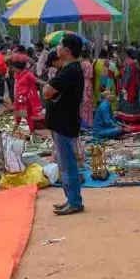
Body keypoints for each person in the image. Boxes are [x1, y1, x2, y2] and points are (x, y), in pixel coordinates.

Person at [45, 34, 85, 216]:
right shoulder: (67, 69)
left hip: (65, 122)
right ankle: (71, 198)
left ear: (67, 50)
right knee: (64, 162)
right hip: (62, 121)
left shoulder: (70, 71)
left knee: (68, 163)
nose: (57, 49)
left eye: (60, 46)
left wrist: (47, 88)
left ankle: (75, 202)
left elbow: (47, 91)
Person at [11, 61, 40, 133]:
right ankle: (16, 126)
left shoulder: (28, 74)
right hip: (19, 97)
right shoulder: (17, 74)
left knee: (27, 114)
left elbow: (36, 80)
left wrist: (46, 83)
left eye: (14, 68)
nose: (13, 69)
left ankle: (32, 131)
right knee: (18, 112)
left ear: (18, 68)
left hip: (25, 98)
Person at [118, 49, 140, 116]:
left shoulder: (129, 65)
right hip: (134, 86)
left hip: (130, 87)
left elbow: (127, 78)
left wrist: (124, 87)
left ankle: (129, 116)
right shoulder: (133, 64)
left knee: (128, 101)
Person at [79, 50, 94, 128]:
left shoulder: (82, 64)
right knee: (88, 104)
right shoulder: (89, 64)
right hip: (89, 84)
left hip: (83, 83)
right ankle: (89, 122)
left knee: (83, 105)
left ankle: (83, 123)